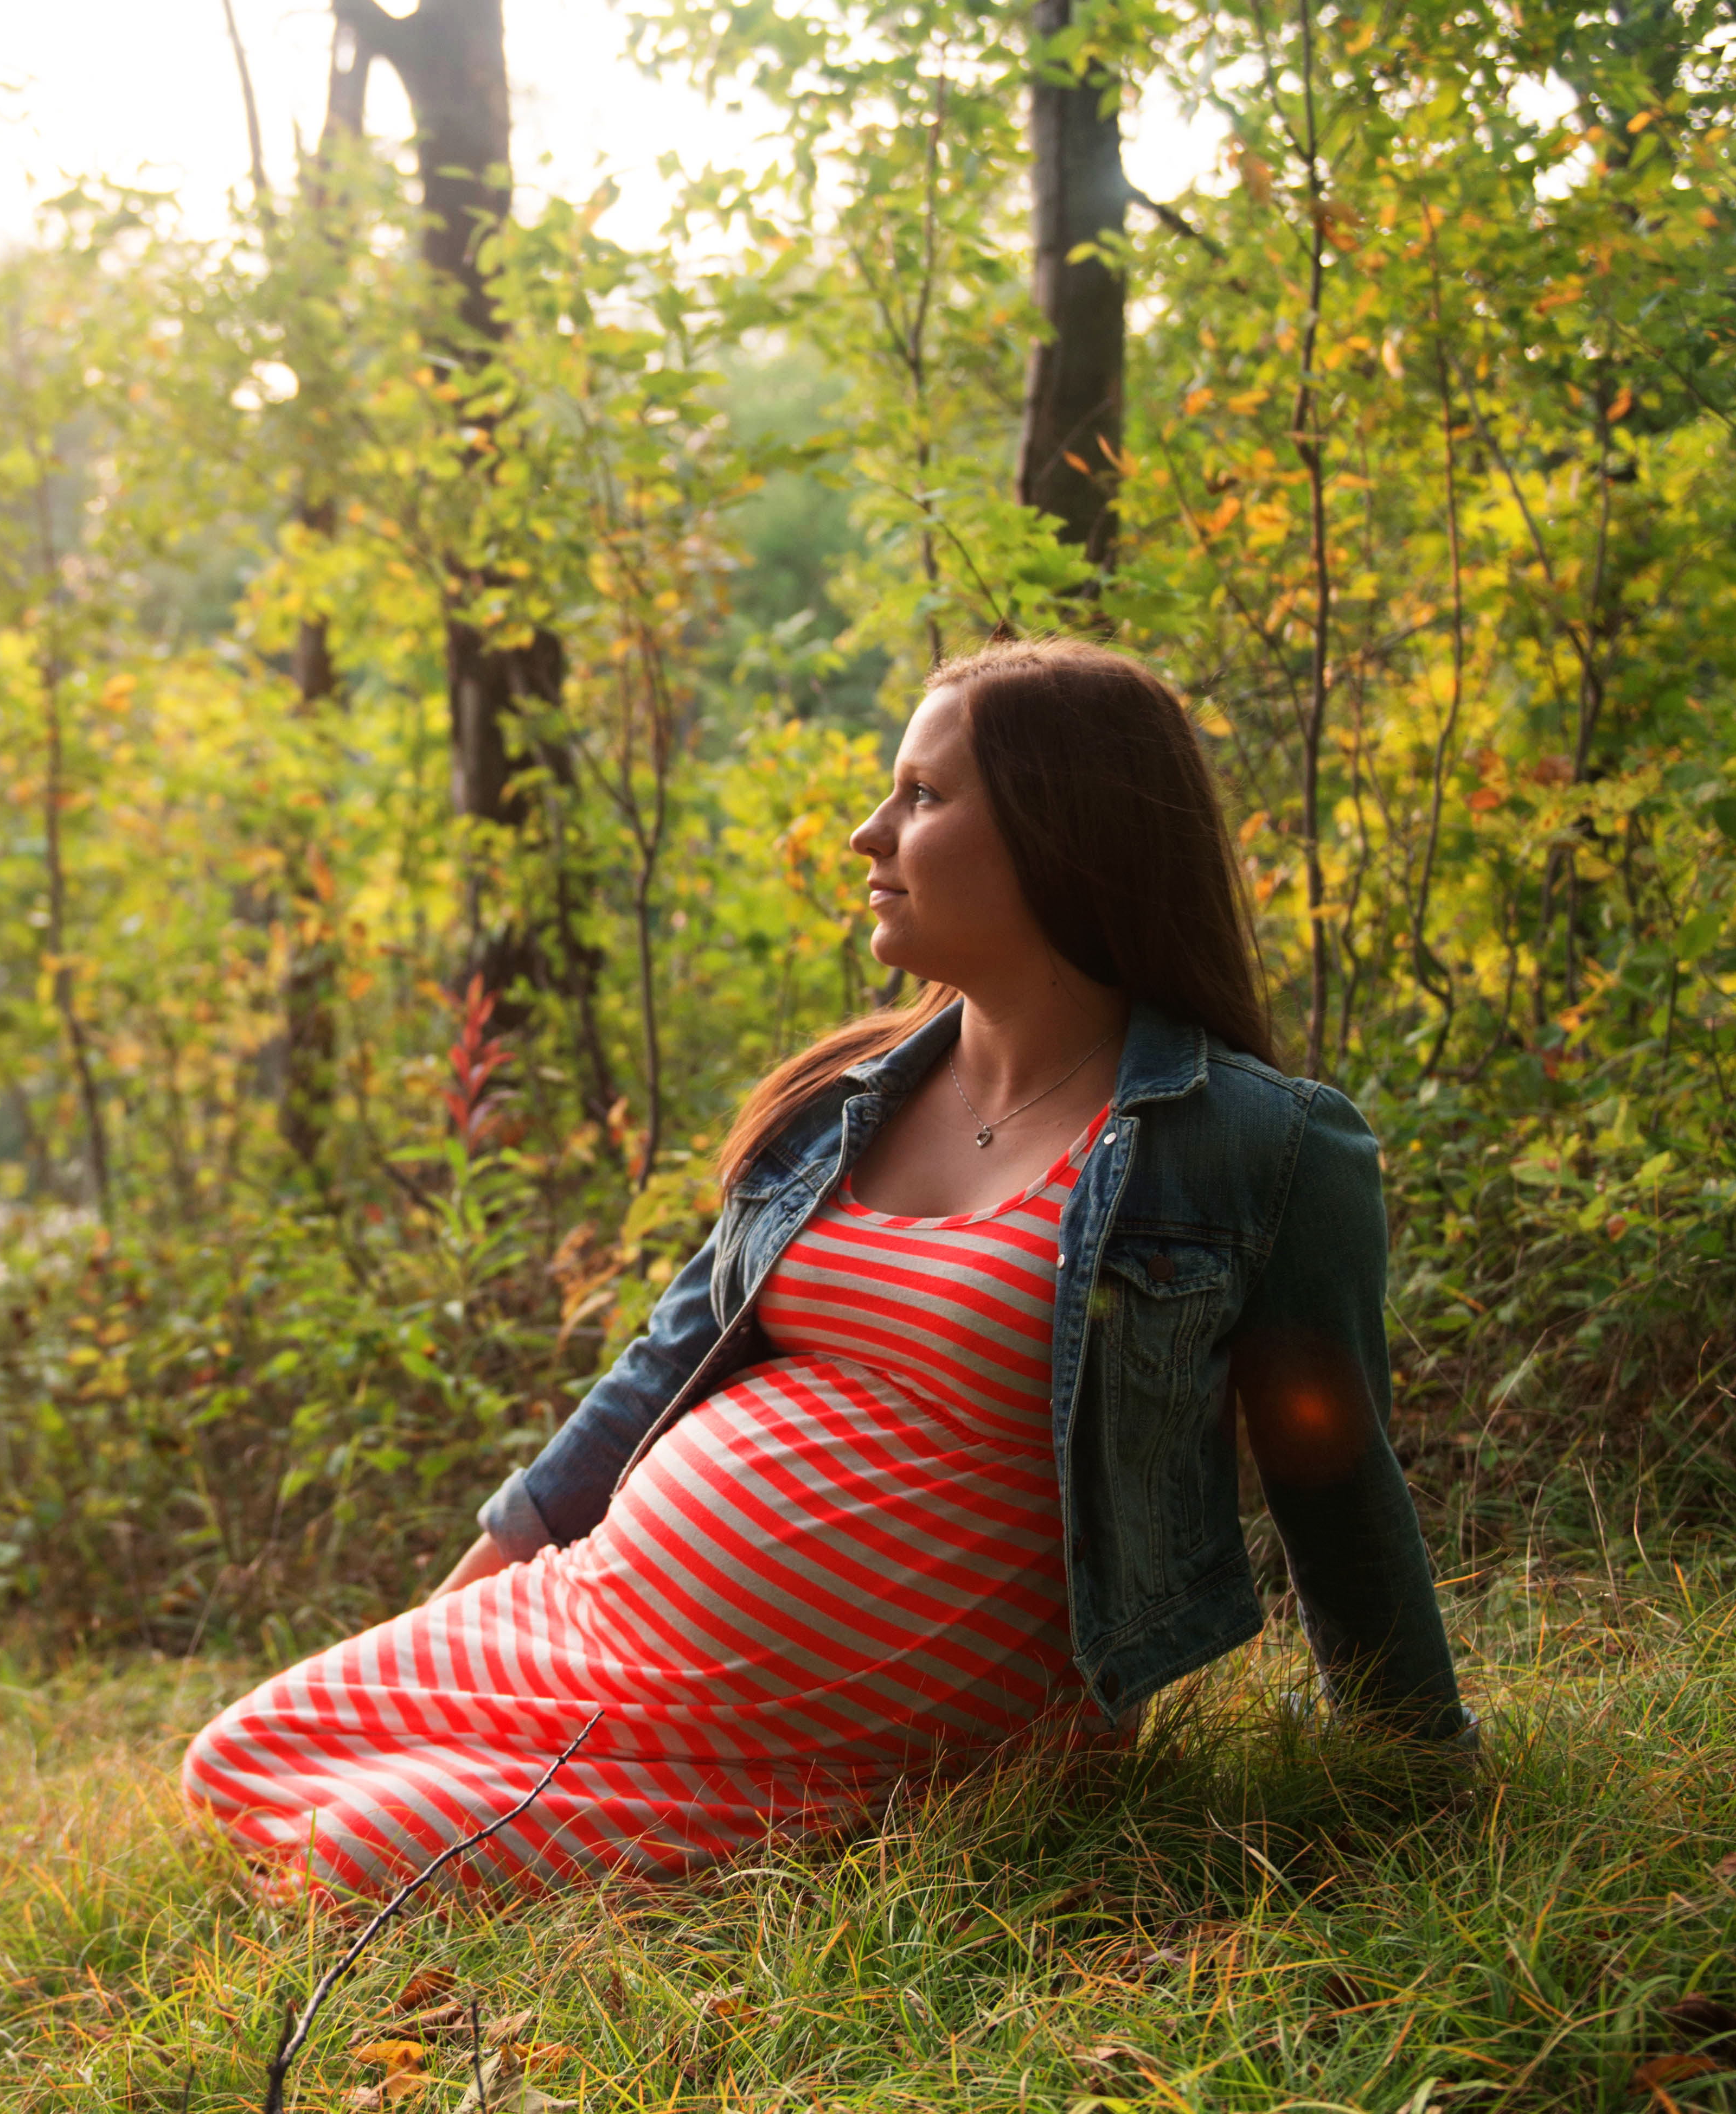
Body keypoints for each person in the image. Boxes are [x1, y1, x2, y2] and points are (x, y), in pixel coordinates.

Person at [183, 638, 1475, 1894]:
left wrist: (1415, 1766)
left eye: (920, 796)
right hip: (603, 1619)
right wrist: (442, 1620)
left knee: (358, 1850)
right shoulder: (841, 1100)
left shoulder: (1253, 1145)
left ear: (1061, 828)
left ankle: (783, 1827)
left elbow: (1334, 1475)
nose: (868, 833)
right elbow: (659, 1369)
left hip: (884, 1731)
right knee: (234, 1758)